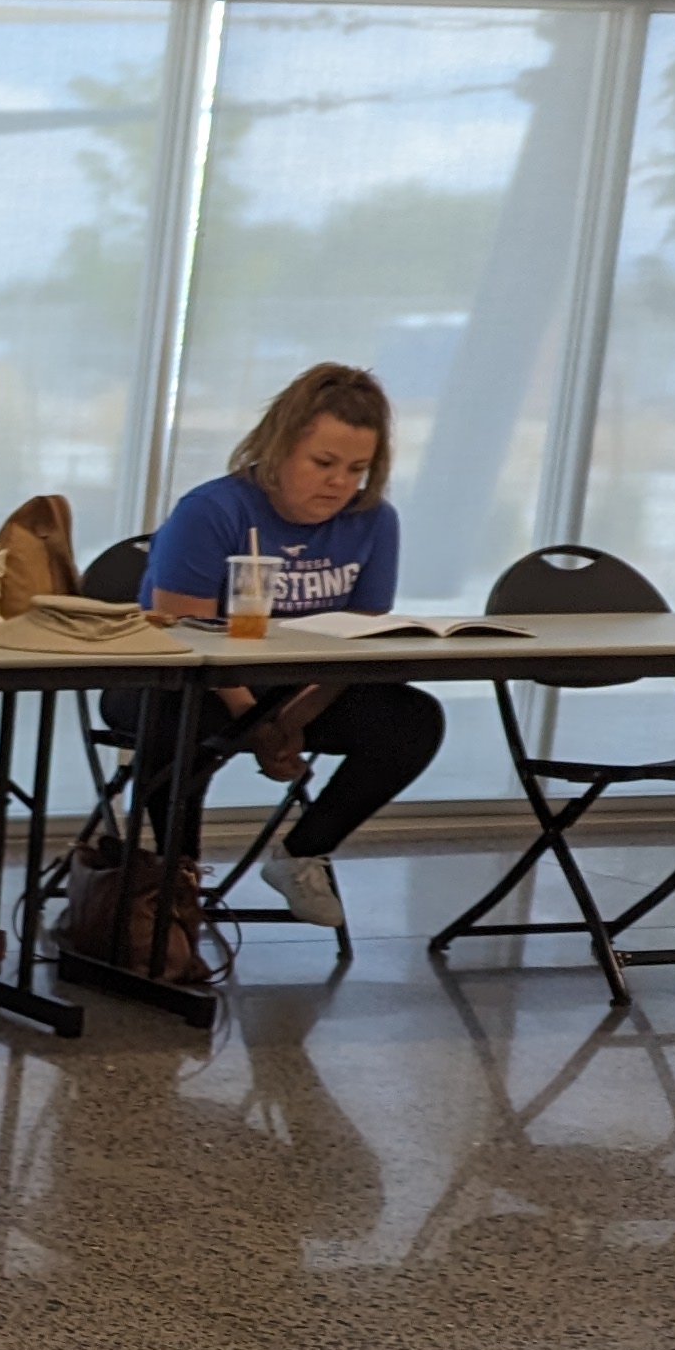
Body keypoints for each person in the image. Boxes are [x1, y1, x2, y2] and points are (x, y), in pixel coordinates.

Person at [124, 360, 443, 931]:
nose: (339, 483)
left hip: (301, 692)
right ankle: (180, 875)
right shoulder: (212, 510)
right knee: (173, 717)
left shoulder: (374, 522)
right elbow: (181, 637)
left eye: (357, 469)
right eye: (323, 463)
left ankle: (302, 854)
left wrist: (289, 721)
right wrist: (256, 725)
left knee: (413, 719)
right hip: (193, 682)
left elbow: (358, 643)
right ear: (278, 449)